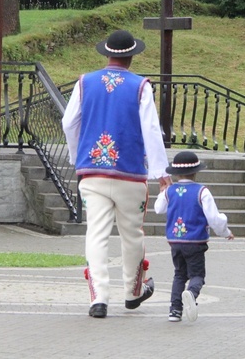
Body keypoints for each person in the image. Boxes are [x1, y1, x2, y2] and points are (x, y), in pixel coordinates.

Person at [62, 29, 172, 319]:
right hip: (129, 172)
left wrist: (78, 157)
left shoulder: (85, 82)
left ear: (106, 53)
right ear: (131, 57)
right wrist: (161, 171)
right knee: (132, 234)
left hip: (93, 171)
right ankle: (132, 291)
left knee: (96, 233)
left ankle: (98, 296)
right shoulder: (140, 86)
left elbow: (68, 122)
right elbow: (151, 130)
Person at [154, 151, 234, 323]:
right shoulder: (202, 192)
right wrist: (225, 231)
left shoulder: (170, 191)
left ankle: (174, 311)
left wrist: (162, 191)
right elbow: (213, 218)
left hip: (175, 240)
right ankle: (191, 293)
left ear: (175, 173)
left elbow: (158, 209)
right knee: (197, 275)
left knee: (179, 274)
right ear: (196, 171)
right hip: (196, 241)